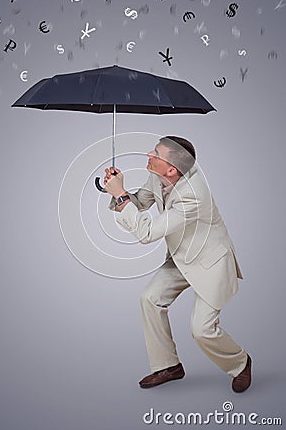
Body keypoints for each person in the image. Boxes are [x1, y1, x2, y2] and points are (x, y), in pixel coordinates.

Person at [103, 135, 251, 393]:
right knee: (150, 299)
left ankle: (240, 363)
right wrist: (119, 192)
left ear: (172, 168)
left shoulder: (194, 196)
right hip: (180, 257)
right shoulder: (157, 175)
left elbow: (147, 234)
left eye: (155, 153)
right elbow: (139, 204)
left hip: (209, 262)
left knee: (202, 330)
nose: (149, 154)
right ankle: (168, 366)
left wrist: (121, 196)